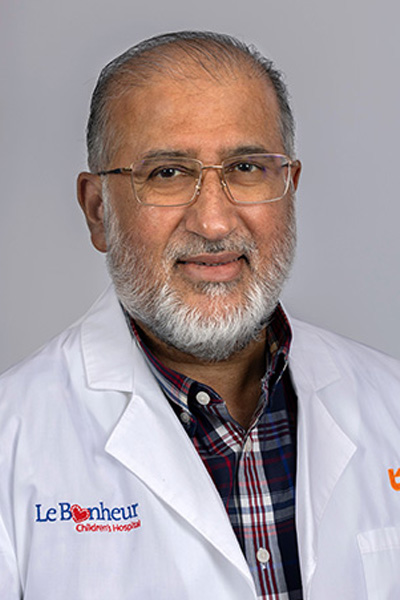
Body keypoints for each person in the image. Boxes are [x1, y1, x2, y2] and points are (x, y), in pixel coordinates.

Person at [0, 30, 399, 600]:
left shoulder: (390, 404)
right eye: (167, 173)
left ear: (289, 188)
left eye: (246, 168)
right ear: (97, 211)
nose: (213, 222)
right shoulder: (11, 443)